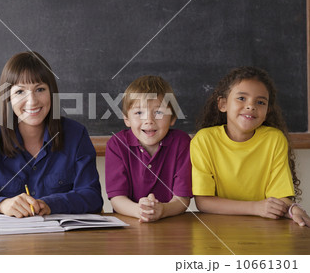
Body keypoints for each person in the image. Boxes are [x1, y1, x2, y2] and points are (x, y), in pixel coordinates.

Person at [0, 51, 103, 219]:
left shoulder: (76, 135)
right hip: (4, 243)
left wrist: (50, 204)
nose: (32, 101)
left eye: (40, 89)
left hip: (61, 242)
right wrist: (2, 204)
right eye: (20, 92)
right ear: (8, 97)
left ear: (51, 92)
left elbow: (92, 197)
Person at [191, 66, 310, 227]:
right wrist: (255, 207)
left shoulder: (274, 140)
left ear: (267, 111)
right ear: (223, 104)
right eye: (241, 98)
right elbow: (204, 202)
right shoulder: (204, 140)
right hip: (217, 229)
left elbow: (279, 198)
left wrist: (291, 209)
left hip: (263, 229)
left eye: (260, 102)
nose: (251, 106)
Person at [105, 75, 192, 222]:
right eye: (139, 113)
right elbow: (117, 198)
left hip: (172, 226)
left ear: (172, 118)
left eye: (158, 112)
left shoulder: (181, 142)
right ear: (126, 119)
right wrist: (141, 211)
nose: (149, 121)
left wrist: (162, 210)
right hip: (129, 225)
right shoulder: (117, 144)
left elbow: (182, 200)